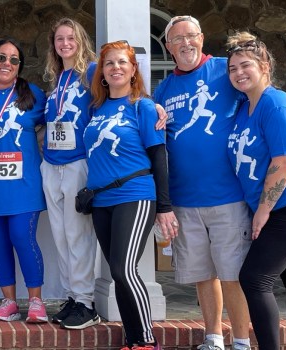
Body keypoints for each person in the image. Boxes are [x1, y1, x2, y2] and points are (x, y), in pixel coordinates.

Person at [153, 15, 286, 350]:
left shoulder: (224, 69)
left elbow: (266, 94)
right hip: (187, 198)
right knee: (205, 273)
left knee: (238, 275)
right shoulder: (163, 89)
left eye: (191, 36)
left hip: (233, 197)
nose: (185, 43)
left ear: (201, 38)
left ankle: (243, 341)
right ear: (169, 48)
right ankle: (214, 337)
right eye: (176, 39)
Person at [226, 32, 286, 350]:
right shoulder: (244, 106)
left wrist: (262, 212)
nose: (239, 73)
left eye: (245, 66)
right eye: (232, 68)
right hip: (276, 206)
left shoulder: (276, 103)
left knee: (254, 279)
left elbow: (283, 162)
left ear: (264, 66)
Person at [85, 40, 177, 350]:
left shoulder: (144, 106)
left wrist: (164, 206)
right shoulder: (95, 108)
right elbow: (82, 68)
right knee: (117, 272)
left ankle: (147, 341)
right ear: (101, 71)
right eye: (109, 63)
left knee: (125, 269)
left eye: (122, 62)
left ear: (133, 68)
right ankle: (133, 339)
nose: (116, 68)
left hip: (135, 195)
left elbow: (159, 156)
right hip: (101, 201)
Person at [0, 38, 48, 324]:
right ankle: (9, 302)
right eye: (1, 58)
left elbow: (60, 120)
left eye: (14, 60)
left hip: (24, 185)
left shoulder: (34, 95)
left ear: (19, 67)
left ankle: (36, 302)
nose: (7, 64)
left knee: (21, 237)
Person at [39, 18, 101, 329]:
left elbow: (122, 93)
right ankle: (71, 296)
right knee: (60, 235)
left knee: (78, 234)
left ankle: (86, 301)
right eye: (59, 39)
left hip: (78, 161)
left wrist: (150, 107)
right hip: (51, 163)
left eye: (70, 38)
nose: (65, 44)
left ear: (80, 41)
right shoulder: (58, 78)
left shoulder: (91, 72)